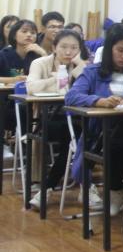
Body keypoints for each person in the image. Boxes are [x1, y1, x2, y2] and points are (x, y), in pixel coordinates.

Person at [65, 24, 123, 214]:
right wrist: (99, 101)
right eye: (120, 50)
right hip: (100, 133)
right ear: (109, 49)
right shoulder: (93, 72)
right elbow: (71, 96)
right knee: (116, 141)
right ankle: (116, 190)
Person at [26, 29, 88, 209]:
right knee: (77, 138)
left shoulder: (80, 65)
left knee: (79, 137)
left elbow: (89, 88)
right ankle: (86, 187)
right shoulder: (40, 63)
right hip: (48, 119)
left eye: (74, 48)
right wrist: (55, 80)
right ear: (54, 47)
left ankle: (47, 188)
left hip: (76, 119)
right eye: (64, 47)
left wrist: (79, 64)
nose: (69, 52)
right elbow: (31, 87)